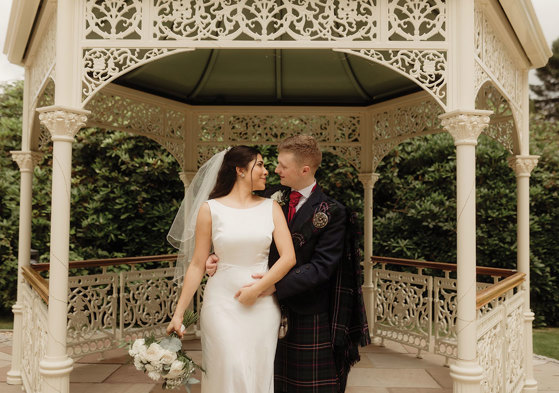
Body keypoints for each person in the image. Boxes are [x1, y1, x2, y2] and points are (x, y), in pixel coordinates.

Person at [207, 135, 352, 393]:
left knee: (306, 387)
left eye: (282, 165)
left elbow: (322, 267)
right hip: (260, 308)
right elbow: (235, 225)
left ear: (304, 170)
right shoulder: (268, 197)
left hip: (305, 310)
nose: (274, 170)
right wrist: (215, 255)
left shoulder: (333, 210)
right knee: (261, 379)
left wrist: (273, 285)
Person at [166, 146, 296, 393]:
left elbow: (288, 257)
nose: (266, 171)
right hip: (221, 304)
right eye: (259, 165)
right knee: (228, 368)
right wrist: (178, 314)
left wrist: (258, 289)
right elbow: (197, 264)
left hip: (263, 306)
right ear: (240, 170)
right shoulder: (210, 209)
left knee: (259, 371)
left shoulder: (271, 207)